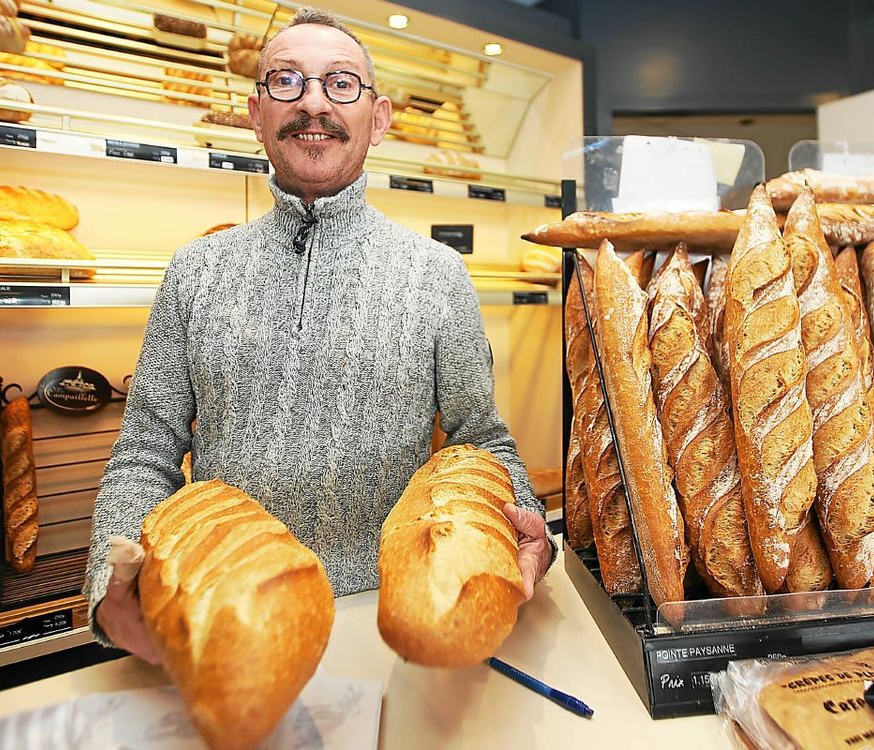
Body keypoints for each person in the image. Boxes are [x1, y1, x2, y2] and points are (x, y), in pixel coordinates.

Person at [83, 7, 555, 664]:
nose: (312, 103)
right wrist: (111, 585)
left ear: (378, 117)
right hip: (229, 625)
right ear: (256, 113)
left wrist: (529, 525)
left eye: (339, 84)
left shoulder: (437, 274)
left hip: (390, 626)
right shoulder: (196, 270)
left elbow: (482, 440)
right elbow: (144, 454)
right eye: (286, 82)